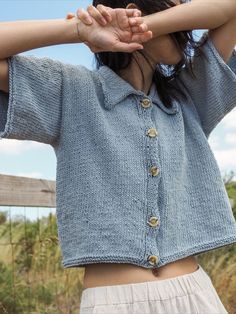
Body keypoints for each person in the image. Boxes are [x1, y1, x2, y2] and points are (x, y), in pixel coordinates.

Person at [0, 0, 236, 313]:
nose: (185, 25)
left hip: (195, 294)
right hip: (114, 302)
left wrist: (143, 26)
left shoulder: (189, 97)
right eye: (175, 7)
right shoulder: (69, 91)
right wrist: (80, 30)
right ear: (133, 7)